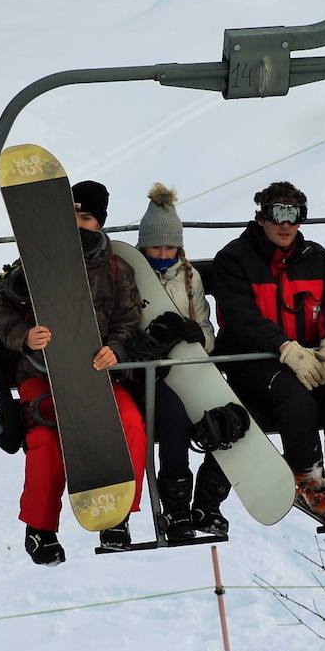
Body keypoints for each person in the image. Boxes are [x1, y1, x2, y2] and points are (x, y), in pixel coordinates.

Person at [0, 180, 147, 566]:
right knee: (46, 436)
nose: (77, 223)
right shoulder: (33, 263)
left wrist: (116, 349)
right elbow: (1, 310)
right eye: (71, 215)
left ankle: (118, 515)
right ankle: (41, 528)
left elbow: (128, 320)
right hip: (42, 373)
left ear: (100, 223)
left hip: (96, 374)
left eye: (86, 217)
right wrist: (26, 336)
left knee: (128, 423)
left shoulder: (114, 269)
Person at [210, 181, 325, 528]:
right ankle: (308, 475)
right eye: (277, 215)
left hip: (310, 354)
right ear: (261, 217)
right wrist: (284, 348)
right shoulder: (234, 260)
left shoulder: (317, 259)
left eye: (294, 215)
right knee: (292, 392)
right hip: (255, 361)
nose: (285, 225)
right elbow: (241, 317)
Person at [134, 183, 233, 539]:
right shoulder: (130, 276)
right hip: (150, 376)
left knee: (229, 418)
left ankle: (208, 502)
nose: (162, 253)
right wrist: (152, 342)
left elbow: (207, 331)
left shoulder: (190, 278)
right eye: (156, 246)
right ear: (143, 245)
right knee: (173, 421)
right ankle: (176, 510)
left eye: (170, 246)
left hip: (191, 369)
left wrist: (196, 335)